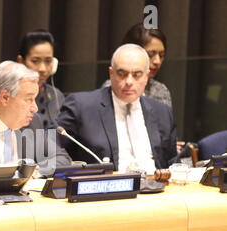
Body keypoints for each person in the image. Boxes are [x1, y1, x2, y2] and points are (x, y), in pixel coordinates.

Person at [57, 44, 177, 174]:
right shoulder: (81, 106)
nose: (129, 81)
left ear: (146, 76)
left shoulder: (162, 111)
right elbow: (48, 145)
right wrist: (67, 167)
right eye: (122, 73)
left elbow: (171, 162)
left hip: (157, 188)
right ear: (111, 73)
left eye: (137, 74)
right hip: (106, 188)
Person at [102, 23, 172, 108]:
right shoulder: (111, 87)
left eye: (161, 55)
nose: (157, 61)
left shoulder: (161, 90)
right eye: (150, 54)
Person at [17, 29, 65, 129]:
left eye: (48, 61)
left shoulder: (57, 96)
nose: (42, 68)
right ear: (21, 61)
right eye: (35, 61)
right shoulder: (11, 96)